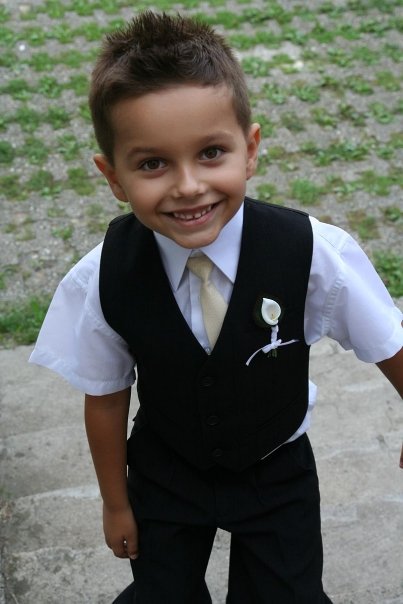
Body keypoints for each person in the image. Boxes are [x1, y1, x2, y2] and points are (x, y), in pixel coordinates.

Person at [30, 11, 403, 604]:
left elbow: (388, 341)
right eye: (152, 163)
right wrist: (115, 503)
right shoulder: (102, 276)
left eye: (210, 153)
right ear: (113, 177)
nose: (187, 186)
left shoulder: (312, 253)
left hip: (277, 468)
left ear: (249, 150)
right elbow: (105, 396)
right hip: (165, 472)